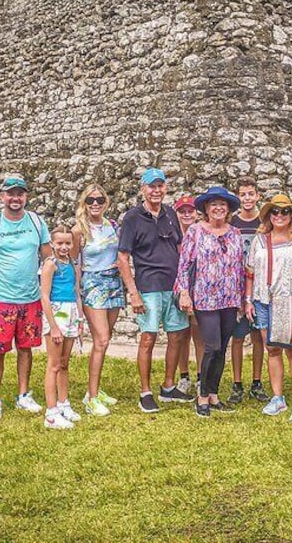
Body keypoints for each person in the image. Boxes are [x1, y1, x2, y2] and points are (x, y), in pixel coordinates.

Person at [0, 174, 51, 419]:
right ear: (2, 196)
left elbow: (48, 258)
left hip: (30, 298)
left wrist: (49, 293)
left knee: (26, 348)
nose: (15, 198)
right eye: (11, 194)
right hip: (0, 298)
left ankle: (23, 394)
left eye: (20, 193)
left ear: (26, 196)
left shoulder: (37, 222)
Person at [117, 168, 193, 413]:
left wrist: (184, 286)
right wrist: (133, 292)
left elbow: (181, 251)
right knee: (148, 337)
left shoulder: (171, 214)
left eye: (160, 186)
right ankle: (145, 391)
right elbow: (123, 257)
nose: (156, 191)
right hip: (149, 286)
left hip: (172, 285)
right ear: (143, 189)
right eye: (152, 186)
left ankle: (169, 386)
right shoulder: (132, 218)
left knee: (177, 335)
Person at [244, 195, 292, 423]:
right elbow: (250, 273)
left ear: (291, 215)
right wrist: (248, 300)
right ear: (268, 215)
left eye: (284, 212)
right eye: (274, 212)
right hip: (263, 300)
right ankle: (278, 397)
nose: (279, 216)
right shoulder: (259, 240)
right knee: (272, 349)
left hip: (290, 300)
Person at [174, 187, 244, 417]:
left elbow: (240, 268)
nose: (218, 208)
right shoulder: (195, 231)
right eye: (213, 204)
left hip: (229, 297)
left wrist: (243, 298)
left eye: (222, 204)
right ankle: (202, 395)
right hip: (205, 297)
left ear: (229, 209)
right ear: (205, 208)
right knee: (211, 346)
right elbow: (184, 265)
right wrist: (184, 292)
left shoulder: (235, 233)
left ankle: (214, 394)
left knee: (222, 347)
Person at [71, 184, 123, 417]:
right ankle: (91, 398)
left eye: (99, 199)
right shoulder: (78, 230)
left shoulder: (112, 226)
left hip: (113, 282)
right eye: (90, 200)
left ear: (106, 202)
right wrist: (77, 297)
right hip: (92, 284)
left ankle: (95, 389)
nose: (95, 204)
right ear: (84, 202)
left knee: (106, 339)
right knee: (101, 340)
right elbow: (74, 265)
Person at [228, 176, 270, 404]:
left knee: (257, 336)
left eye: (250, 194)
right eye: (242, 194)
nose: (247, 198)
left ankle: (256, 381)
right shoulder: (232, 223)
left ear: (257, 196)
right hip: (237, 286)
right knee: (237, 337)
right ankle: (236, 383)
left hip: (259, 286)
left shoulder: (265, 223)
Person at [40, 226, 84, 429]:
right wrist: (53, 326)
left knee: (65, 362)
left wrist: (80, 318)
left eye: (68, 243)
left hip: (72, 313)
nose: (64, 247)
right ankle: (51, 412)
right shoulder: (50, 265)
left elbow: (76, 292)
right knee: (54, 364)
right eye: (60, 243)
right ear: (52, 244)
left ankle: (63, 402)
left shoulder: (74, 264)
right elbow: (45, 296)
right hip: (57, 313)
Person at [173, 195, 204, 395]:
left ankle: (201, 376)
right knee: (180, 334)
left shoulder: (202, 233)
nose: (186, 214)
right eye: (182, 211)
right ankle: (183, 375)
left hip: (198, 288)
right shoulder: (172, 234)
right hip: (177, 288)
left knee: (198, 333)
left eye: (190, 211)